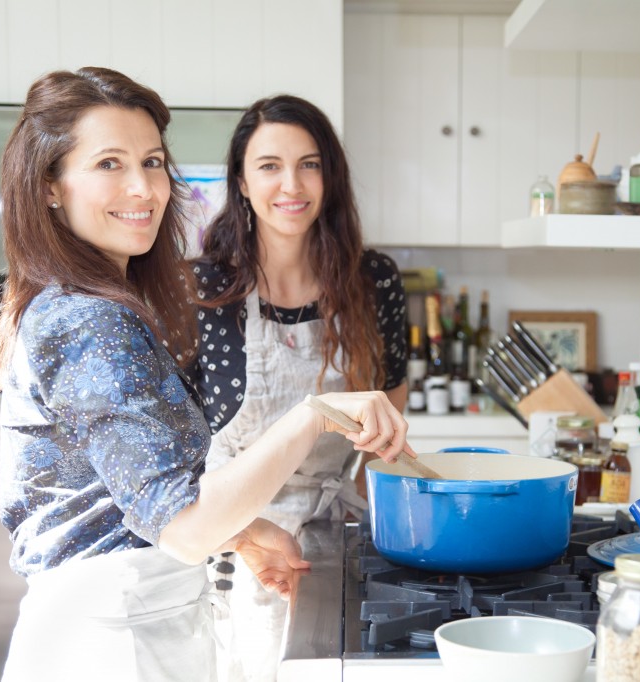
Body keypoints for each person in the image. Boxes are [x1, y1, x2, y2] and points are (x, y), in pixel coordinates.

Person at [0, 67, 413, 682]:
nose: (143, 187)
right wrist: (316, 413)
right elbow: (183, 525)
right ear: (50, 186)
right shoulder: (89, 321)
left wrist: (242, 532)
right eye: (109, 164)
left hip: (144, 614)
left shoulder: (99, 304)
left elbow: (141, 490)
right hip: (112, 638)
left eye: (153, 161)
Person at [189, 94, 408, 680]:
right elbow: (178, 460)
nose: (292, 183)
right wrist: (238, 534)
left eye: (310, 164)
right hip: (232, 542)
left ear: (329, 176)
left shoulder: (373, 281)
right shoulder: (203, 290)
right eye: (269, 165)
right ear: (240, 180)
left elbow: (386, 437)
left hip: (336, 540)